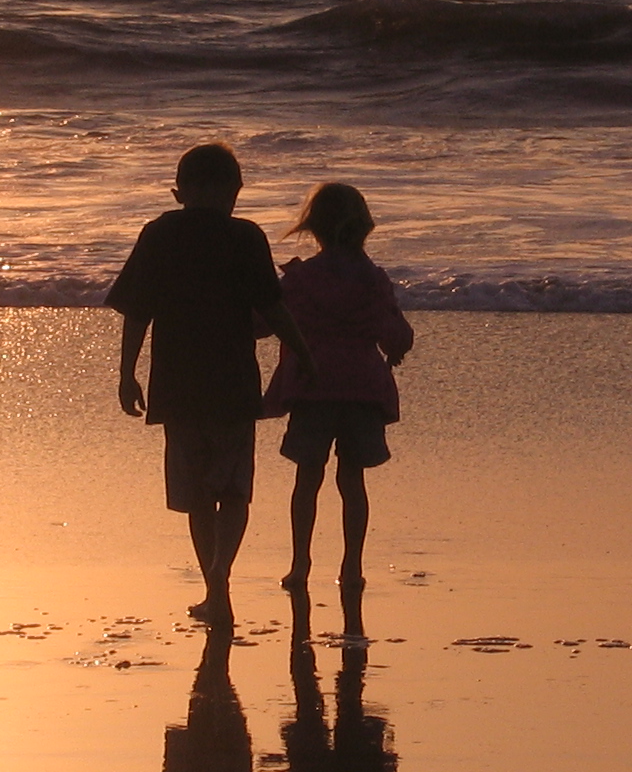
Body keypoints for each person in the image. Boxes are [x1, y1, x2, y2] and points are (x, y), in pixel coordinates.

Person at [107, 142, 316, 626]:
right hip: (233, 384)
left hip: (177, 385)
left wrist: (126, 373)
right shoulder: (245, 236)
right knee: (235, 489)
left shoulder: (159, 233)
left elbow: (137, 312)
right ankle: (222, 573)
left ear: (178, 192)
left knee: (197, 495)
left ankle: (213, 587)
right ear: (235, 191)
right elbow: (273, 308)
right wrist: (304, 353)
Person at [262, 182, 414, 593]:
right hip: (362, 389)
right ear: (364, 226)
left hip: (313, 386)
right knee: (353, 480)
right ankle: (351, 566)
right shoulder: (373, 280)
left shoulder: (303, 278)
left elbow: (271, 320)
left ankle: (300, 564)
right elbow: (397, 335)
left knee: (307, 478)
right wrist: (395, 350)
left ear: (313, 227)